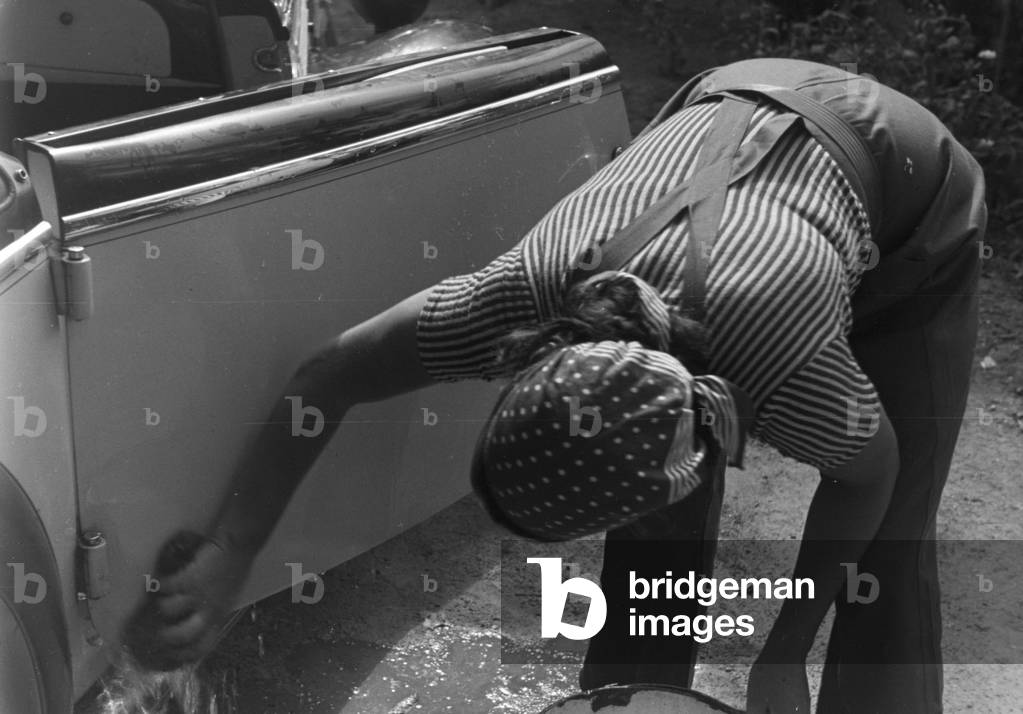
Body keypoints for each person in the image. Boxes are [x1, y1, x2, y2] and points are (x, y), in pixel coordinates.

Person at [129, 58, 985, 713]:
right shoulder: (516, 296)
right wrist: (230, 551)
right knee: (650, 528)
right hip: (725, 107)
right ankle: (634, 698)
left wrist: (783, 651)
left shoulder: (783, 362)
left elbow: (864, 473)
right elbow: (327, 378)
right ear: (532, 365)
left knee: (890, 538)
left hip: (910, 190)